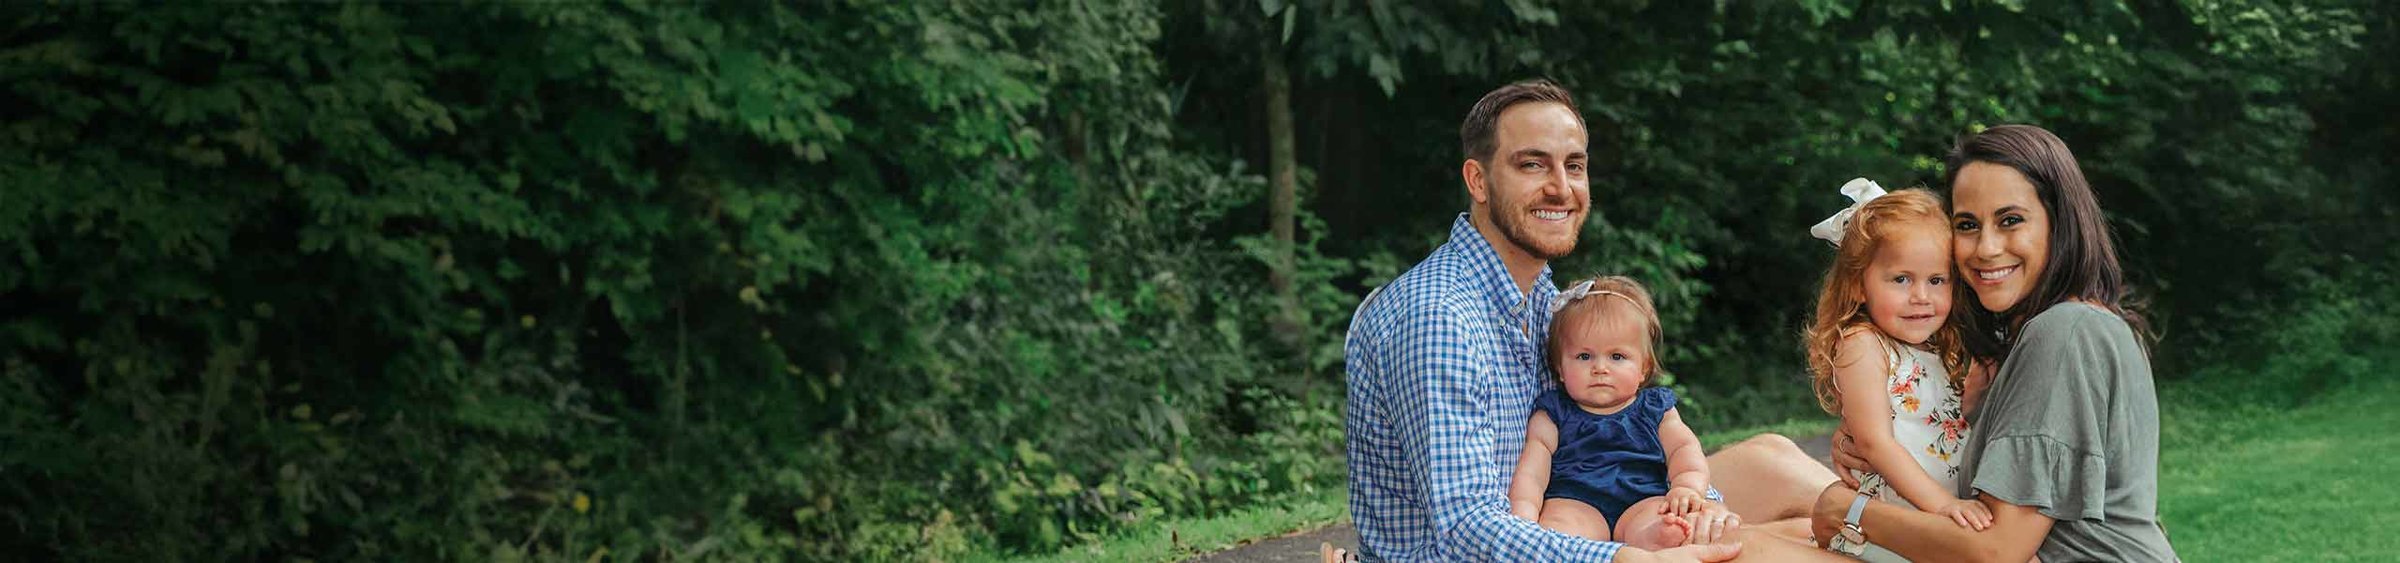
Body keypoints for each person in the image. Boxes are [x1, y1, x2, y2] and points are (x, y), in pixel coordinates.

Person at [1339, 79, 1838, 563]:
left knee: (1773, 461)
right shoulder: (1438, 317)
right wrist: (1625, 557)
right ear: (1478, 181)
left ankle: (1880, 524)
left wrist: (1699, 504)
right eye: (1532, 164)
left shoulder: (1539, 294)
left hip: (1575, 506)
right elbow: (1467, 529)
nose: (1561, 188)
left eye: (1574, 165)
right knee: (1752, 550)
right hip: (1499, 542)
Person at [1813, 125, 2180, 561]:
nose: (1986, 248)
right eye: (1968, 225)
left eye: (2011, 221)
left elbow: (1996, 552)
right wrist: (1876, 436)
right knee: (1767, 466)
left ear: (2060, 222)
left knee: (1756, 543)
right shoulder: (2050, 330)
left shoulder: (2065, 332)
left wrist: (1849, 511)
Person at [1800, 182, 1991, 560]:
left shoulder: (1934, 349)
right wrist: (1942, 505)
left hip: (1935, 518)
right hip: (1889, 526)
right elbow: (1874, 442)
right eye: (1901, 279)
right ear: (1858, 285)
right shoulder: (1863, 344)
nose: (1921, 296)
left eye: (1936, 280)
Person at [1508, 276, 1715, 550]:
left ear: (1643, 368)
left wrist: (1686, 486)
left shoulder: (1655, 409)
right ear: (1559, 367)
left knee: (1659, 519)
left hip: (1642, 498)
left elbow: (1684, 449)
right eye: (1584, 356)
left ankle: (1655, 538)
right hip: (1575, 501)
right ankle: (1572, 547)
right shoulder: (1552, 414)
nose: (1600, 368)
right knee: (1561, 526)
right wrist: (1523, 514)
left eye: (1617, 357)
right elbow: (1532, 474)